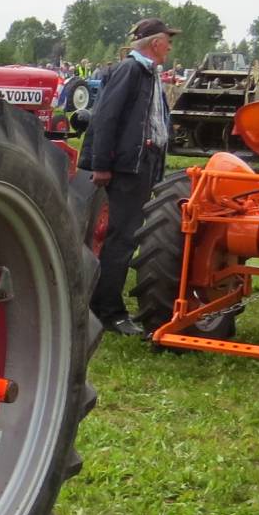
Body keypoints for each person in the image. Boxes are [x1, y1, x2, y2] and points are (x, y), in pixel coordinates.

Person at [78, 17, 177, 335]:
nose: (171, 47)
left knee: (125, 235)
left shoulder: (147, 74)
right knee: (122, 238)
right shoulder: (132, 71)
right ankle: (107, 311)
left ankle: (104, 305)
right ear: (156, 43)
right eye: (168, 41)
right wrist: (101, 164)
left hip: (141, 165)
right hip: (128, 168)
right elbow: (106, 118)